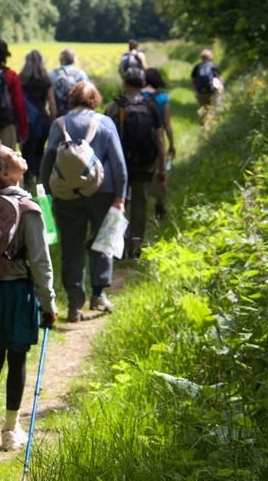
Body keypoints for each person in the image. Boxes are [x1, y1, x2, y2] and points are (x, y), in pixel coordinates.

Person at [0, 137, 58, 455]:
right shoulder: (28, 208)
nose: (18, 152)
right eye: (11, 154)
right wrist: (49, 303)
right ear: (5, 174)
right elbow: (40, 260)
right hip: (18, 291)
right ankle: (10, 429)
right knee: (16, 359)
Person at [40, 81, 127, 322]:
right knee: (102, 242)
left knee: (72, 248)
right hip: (102, 192)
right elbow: (119, 164)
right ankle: (98, 295)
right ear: (95, 100)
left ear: (71, 99)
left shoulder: (59, 124)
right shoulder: (105, 123)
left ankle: (74, 306)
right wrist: (120, 197)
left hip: (66, 195)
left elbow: (48, 161)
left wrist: (47, 198)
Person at [105, 68, 166, 260]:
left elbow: (105, 139)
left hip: (119, 165)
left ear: (125, 83)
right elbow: (159, 139)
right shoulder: (151, 105)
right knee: (139, 205)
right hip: (145, 164)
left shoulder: (114, 106)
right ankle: (136, 247)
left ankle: (118, 248)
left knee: (119, 203)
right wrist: (162, 167)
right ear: (142, 84)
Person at [19, 50, 57, 186]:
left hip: (26, 121)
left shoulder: (21, 80)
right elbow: (52, 103)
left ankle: (29, 181)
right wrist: (53, 121)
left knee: (27, 151)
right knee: (40, 150)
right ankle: (40, 180)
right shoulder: (45, 80)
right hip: (42, 121)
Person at [141, 68, 175, 219]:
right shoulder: (163, 98)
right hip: (157, 139)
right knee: (159, 171)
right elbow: (166, 122)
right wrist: (171, 144)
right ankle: (159, 204)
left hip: (138, 140)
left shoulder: (137, 96)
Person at [48, 47, 90, 117]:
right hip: (78, 115)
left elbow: (50, 100)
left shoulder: (52, 74)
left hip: (59, 115)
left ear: (61, 60)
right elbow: (89, 95)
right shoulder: (81, 74)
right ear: (74, 60)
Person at [191, 49, 224, 125]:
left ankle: (202, 126)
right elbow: (220, 79)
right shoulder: (214, 66)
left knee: (201, 109)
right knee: (212, 108)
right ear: (210, 57)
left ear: (201, 57)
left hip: (200, 92)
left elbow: (193, 80)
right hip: (212, 91)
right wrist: (222, 92)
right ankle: (212, 125)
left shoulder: (197, 67)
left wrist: (195, 90)